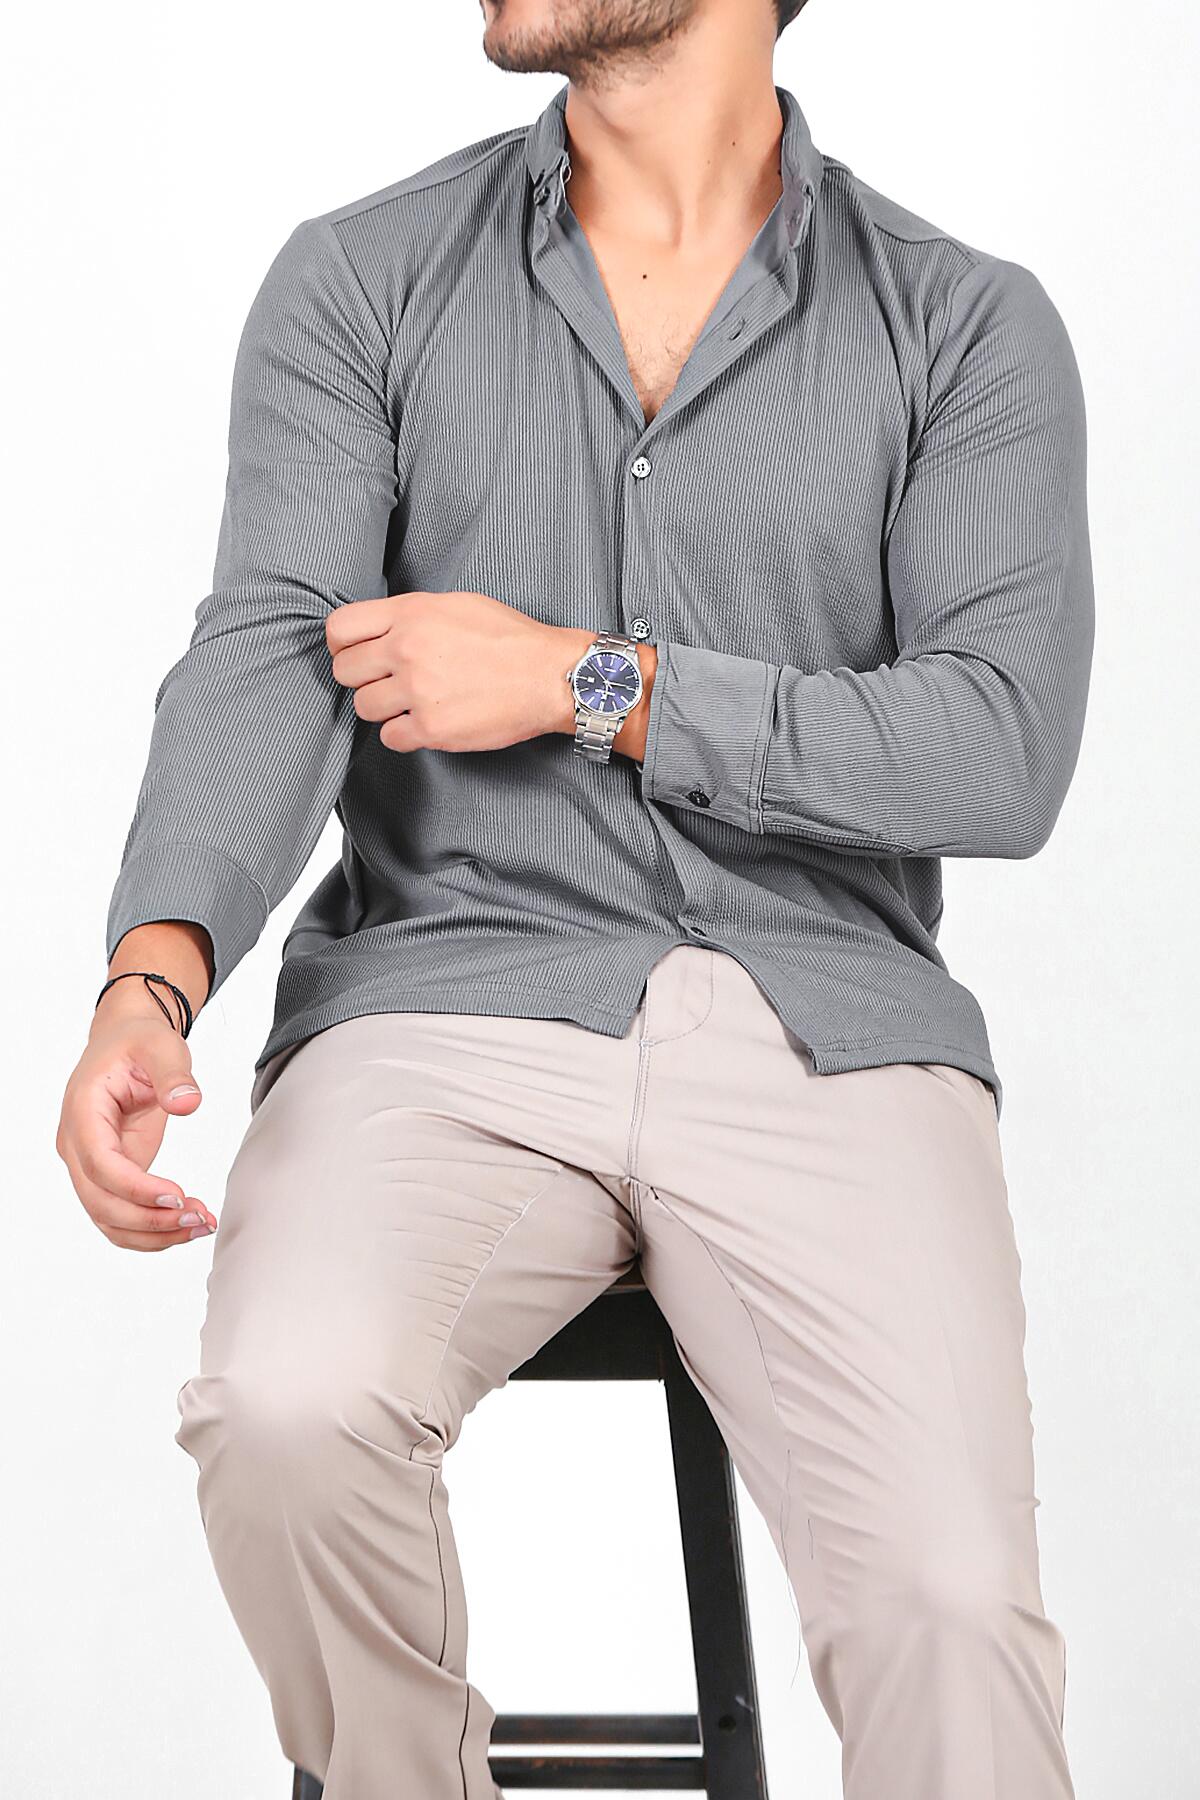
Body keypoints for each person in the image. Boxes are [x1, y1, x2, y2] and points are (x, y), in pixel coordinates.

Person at [56, 1, 1094, 1794]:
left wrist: (586, 683)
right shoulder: (364, 279)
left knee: (951, 1606)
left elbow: (996, 748)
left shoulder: (964, 322)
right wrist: (150, 981)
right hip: (447, 999)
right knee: (287, 1419)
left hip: (824, 1028)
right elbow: (267, 650)